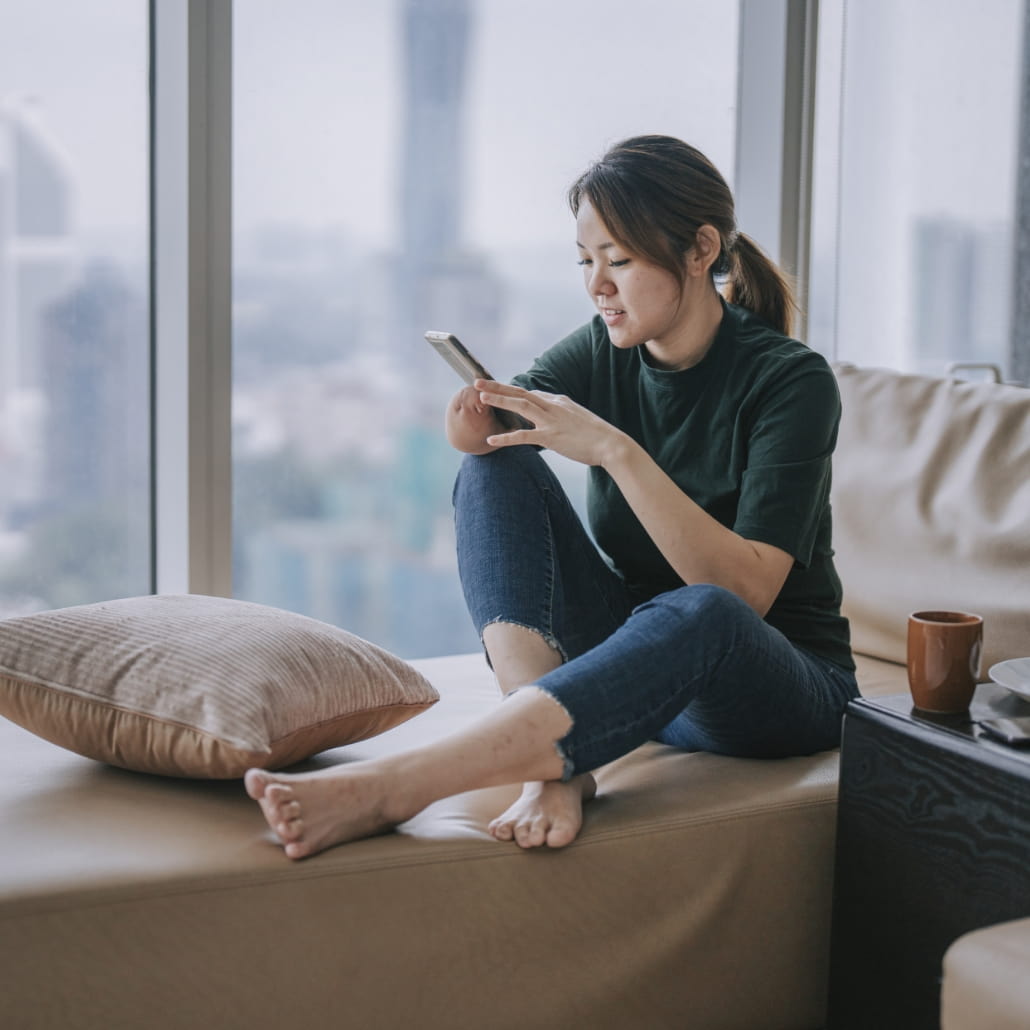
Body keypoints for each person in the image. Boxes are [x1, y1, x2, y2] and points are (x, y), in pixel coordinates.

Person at [246, 134, 858, 860]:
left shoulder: (790, 381)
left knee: (705, 609)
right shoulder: (601, 347)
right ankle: (552, 762)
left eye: (620, 260)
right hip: (640, 654)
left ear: (700, 250)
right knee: (493, 471)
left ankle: (397, 787)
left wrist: (615, 450)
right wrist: (471, 424)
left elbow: (745, 592)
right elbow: (493, 441)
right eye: (586, 261)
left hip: (774, 684)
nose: (598, 285)